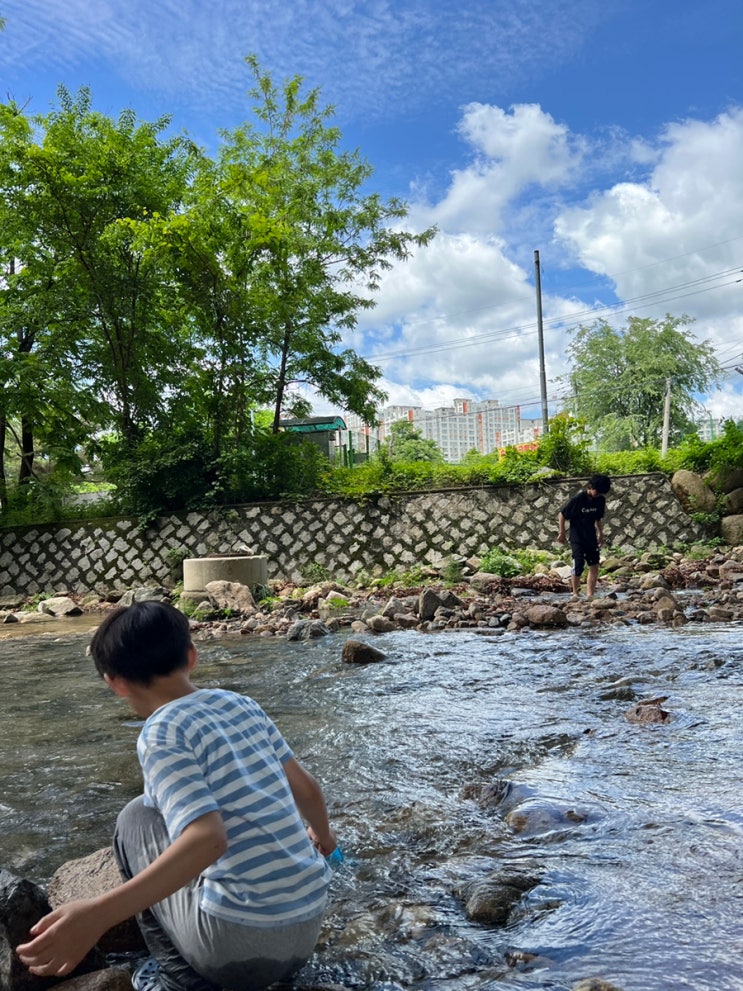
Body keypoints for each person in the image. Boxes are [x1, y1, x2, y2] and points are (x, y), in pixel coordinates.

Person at [17, 601, 337, 991]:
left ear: (114, 682)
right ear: (191, 656)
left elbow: (208, 839)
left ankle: (179, 978)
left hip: (236, 953)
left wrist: (97, 915)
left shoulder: (161, 732)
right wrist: (323, 836)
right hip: (305, 931)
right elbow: (305, 787)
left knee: (134, 819)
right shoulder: (243, 705)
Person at [557, 474, 611, 599]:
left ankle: (590, 594)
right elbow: (562, 514)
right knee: (578, 564)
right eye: (597, 492)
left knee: (594, 564)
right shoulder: (579, 498)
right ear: (590, 487)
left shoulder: (600, 500)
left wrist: (600, 534)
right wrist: (562, 532)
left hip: (590, 536)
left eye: (601, 493)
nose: (598, 495)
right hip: (577, 537)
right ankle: (575, 593)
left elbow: (598, 519)